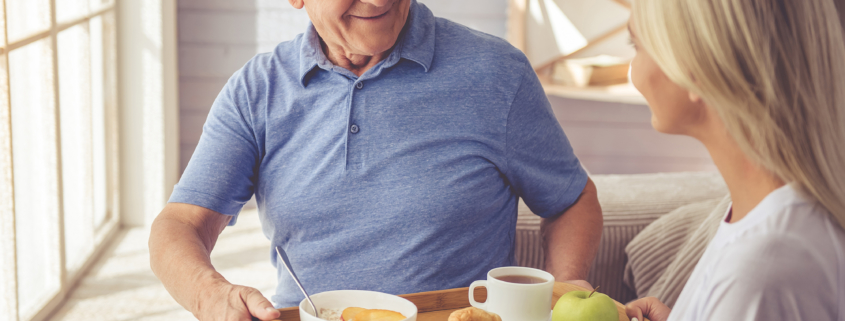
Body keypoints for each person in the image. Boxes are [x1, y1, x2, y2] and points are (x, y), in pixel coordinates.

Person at [148, 0, 603, 320]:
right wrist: (210, 295)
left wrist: (566, 287)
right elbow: (179, 224)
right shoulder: (257, 91)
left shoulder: (497, 73)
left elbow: (570, 198)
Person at [623, 0, 845, 320]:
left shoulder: (763, 268)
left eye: (637, 45)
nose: (634, 72)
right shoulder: (763, 220)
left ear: (693, 66)